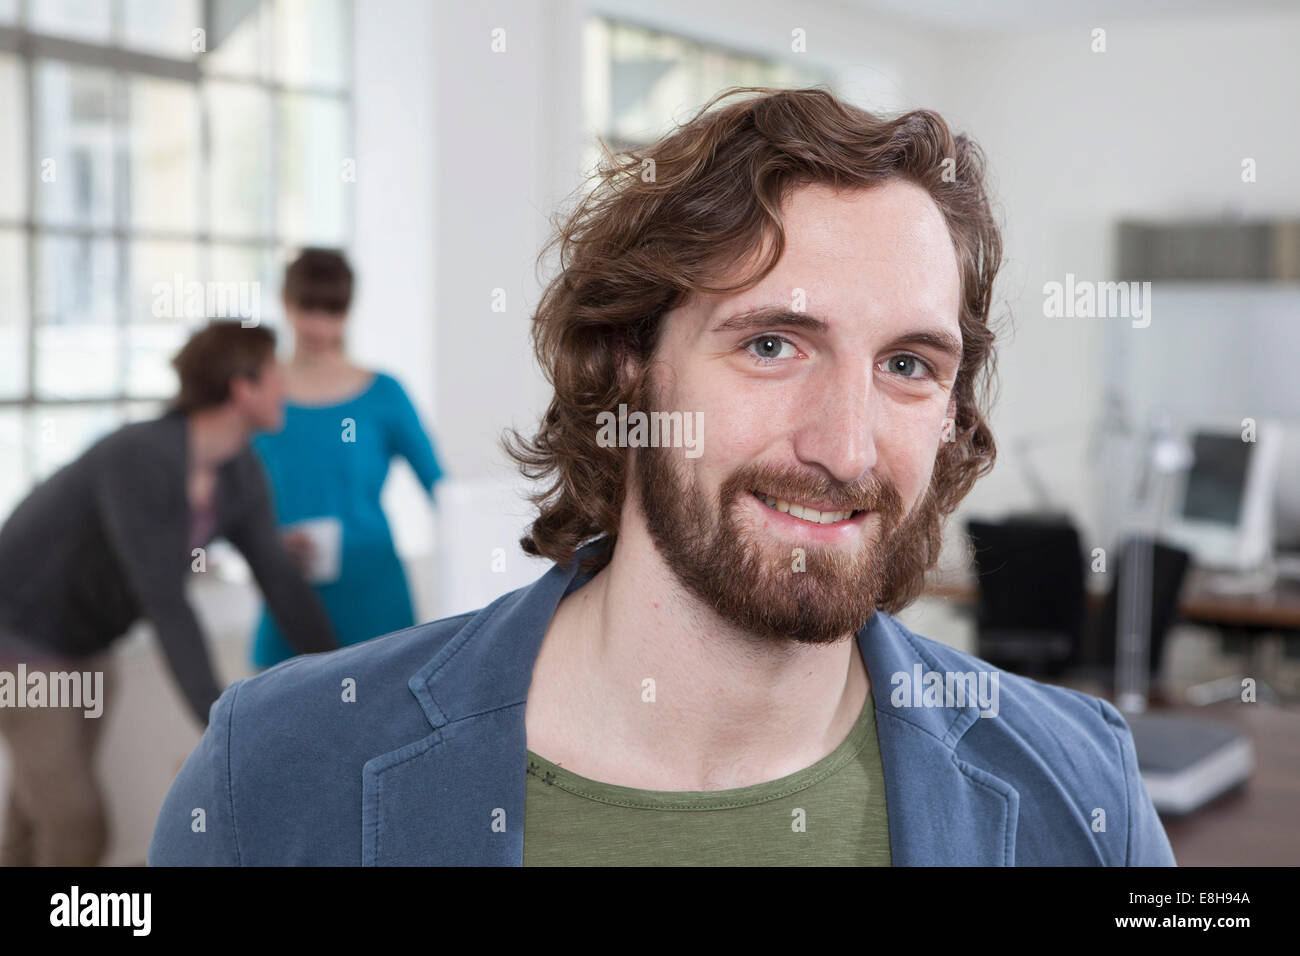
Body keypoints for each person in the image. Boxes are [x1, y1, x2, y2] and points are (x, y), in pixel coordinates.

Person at [149, 88, 1175, 866]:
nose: (847, 447)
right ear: (630, 361)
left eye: (908, 365)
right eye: (773, 343)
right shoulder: (277, 773)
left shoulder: (1086, 790)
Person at [0, 320, 338, 866]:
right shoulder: (140, 457)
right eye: (274, 376)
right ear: (242, 387)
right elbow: (167, 605)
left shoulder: (238, 473)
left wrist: (344, 678)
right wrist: (222, 727)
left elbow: (281, 581)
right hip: (17, 640)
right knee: (76, 822)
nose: (285, 388)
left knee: (33, 808)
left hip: (87, 639)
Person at [247, 248, 444, 670]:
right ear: (285, 303)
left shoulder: (385, 394)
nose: (320, 325)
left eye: (333, 310)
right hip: (287, 598)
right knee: (277, 728)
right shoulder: (259, 396)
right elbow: (225, 500)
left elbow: (444, 493)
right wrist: (263, 544)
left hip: (375, 599)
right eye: (308, 308)